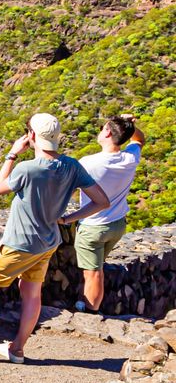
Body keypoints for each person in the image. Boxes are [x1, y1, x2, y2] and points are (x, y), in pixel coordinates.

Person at [0, 113, 110, 365]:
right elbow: (102, 201)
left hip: (19, 242)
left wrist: (12, 154)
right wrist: (67, 219)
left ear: (31, 136)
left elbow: (0, 188)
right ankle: (17, 350)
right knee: (31, 293)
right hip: (48, 241)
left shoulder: (27, 169)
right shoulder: (72, 166)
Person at [59, 115, 145, 312]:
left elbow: (65, 189)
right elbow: (139, 140)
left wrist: (64, 217)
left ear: (107, 132)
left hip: (93, 226)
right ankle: (83, 300)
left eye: (102, 127)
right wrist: (132, 126)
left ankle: (90, 311)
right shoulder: (130, 158)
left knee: (93, 273)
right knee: (95, 267)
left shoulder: (88, 163)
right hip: (117, 224)